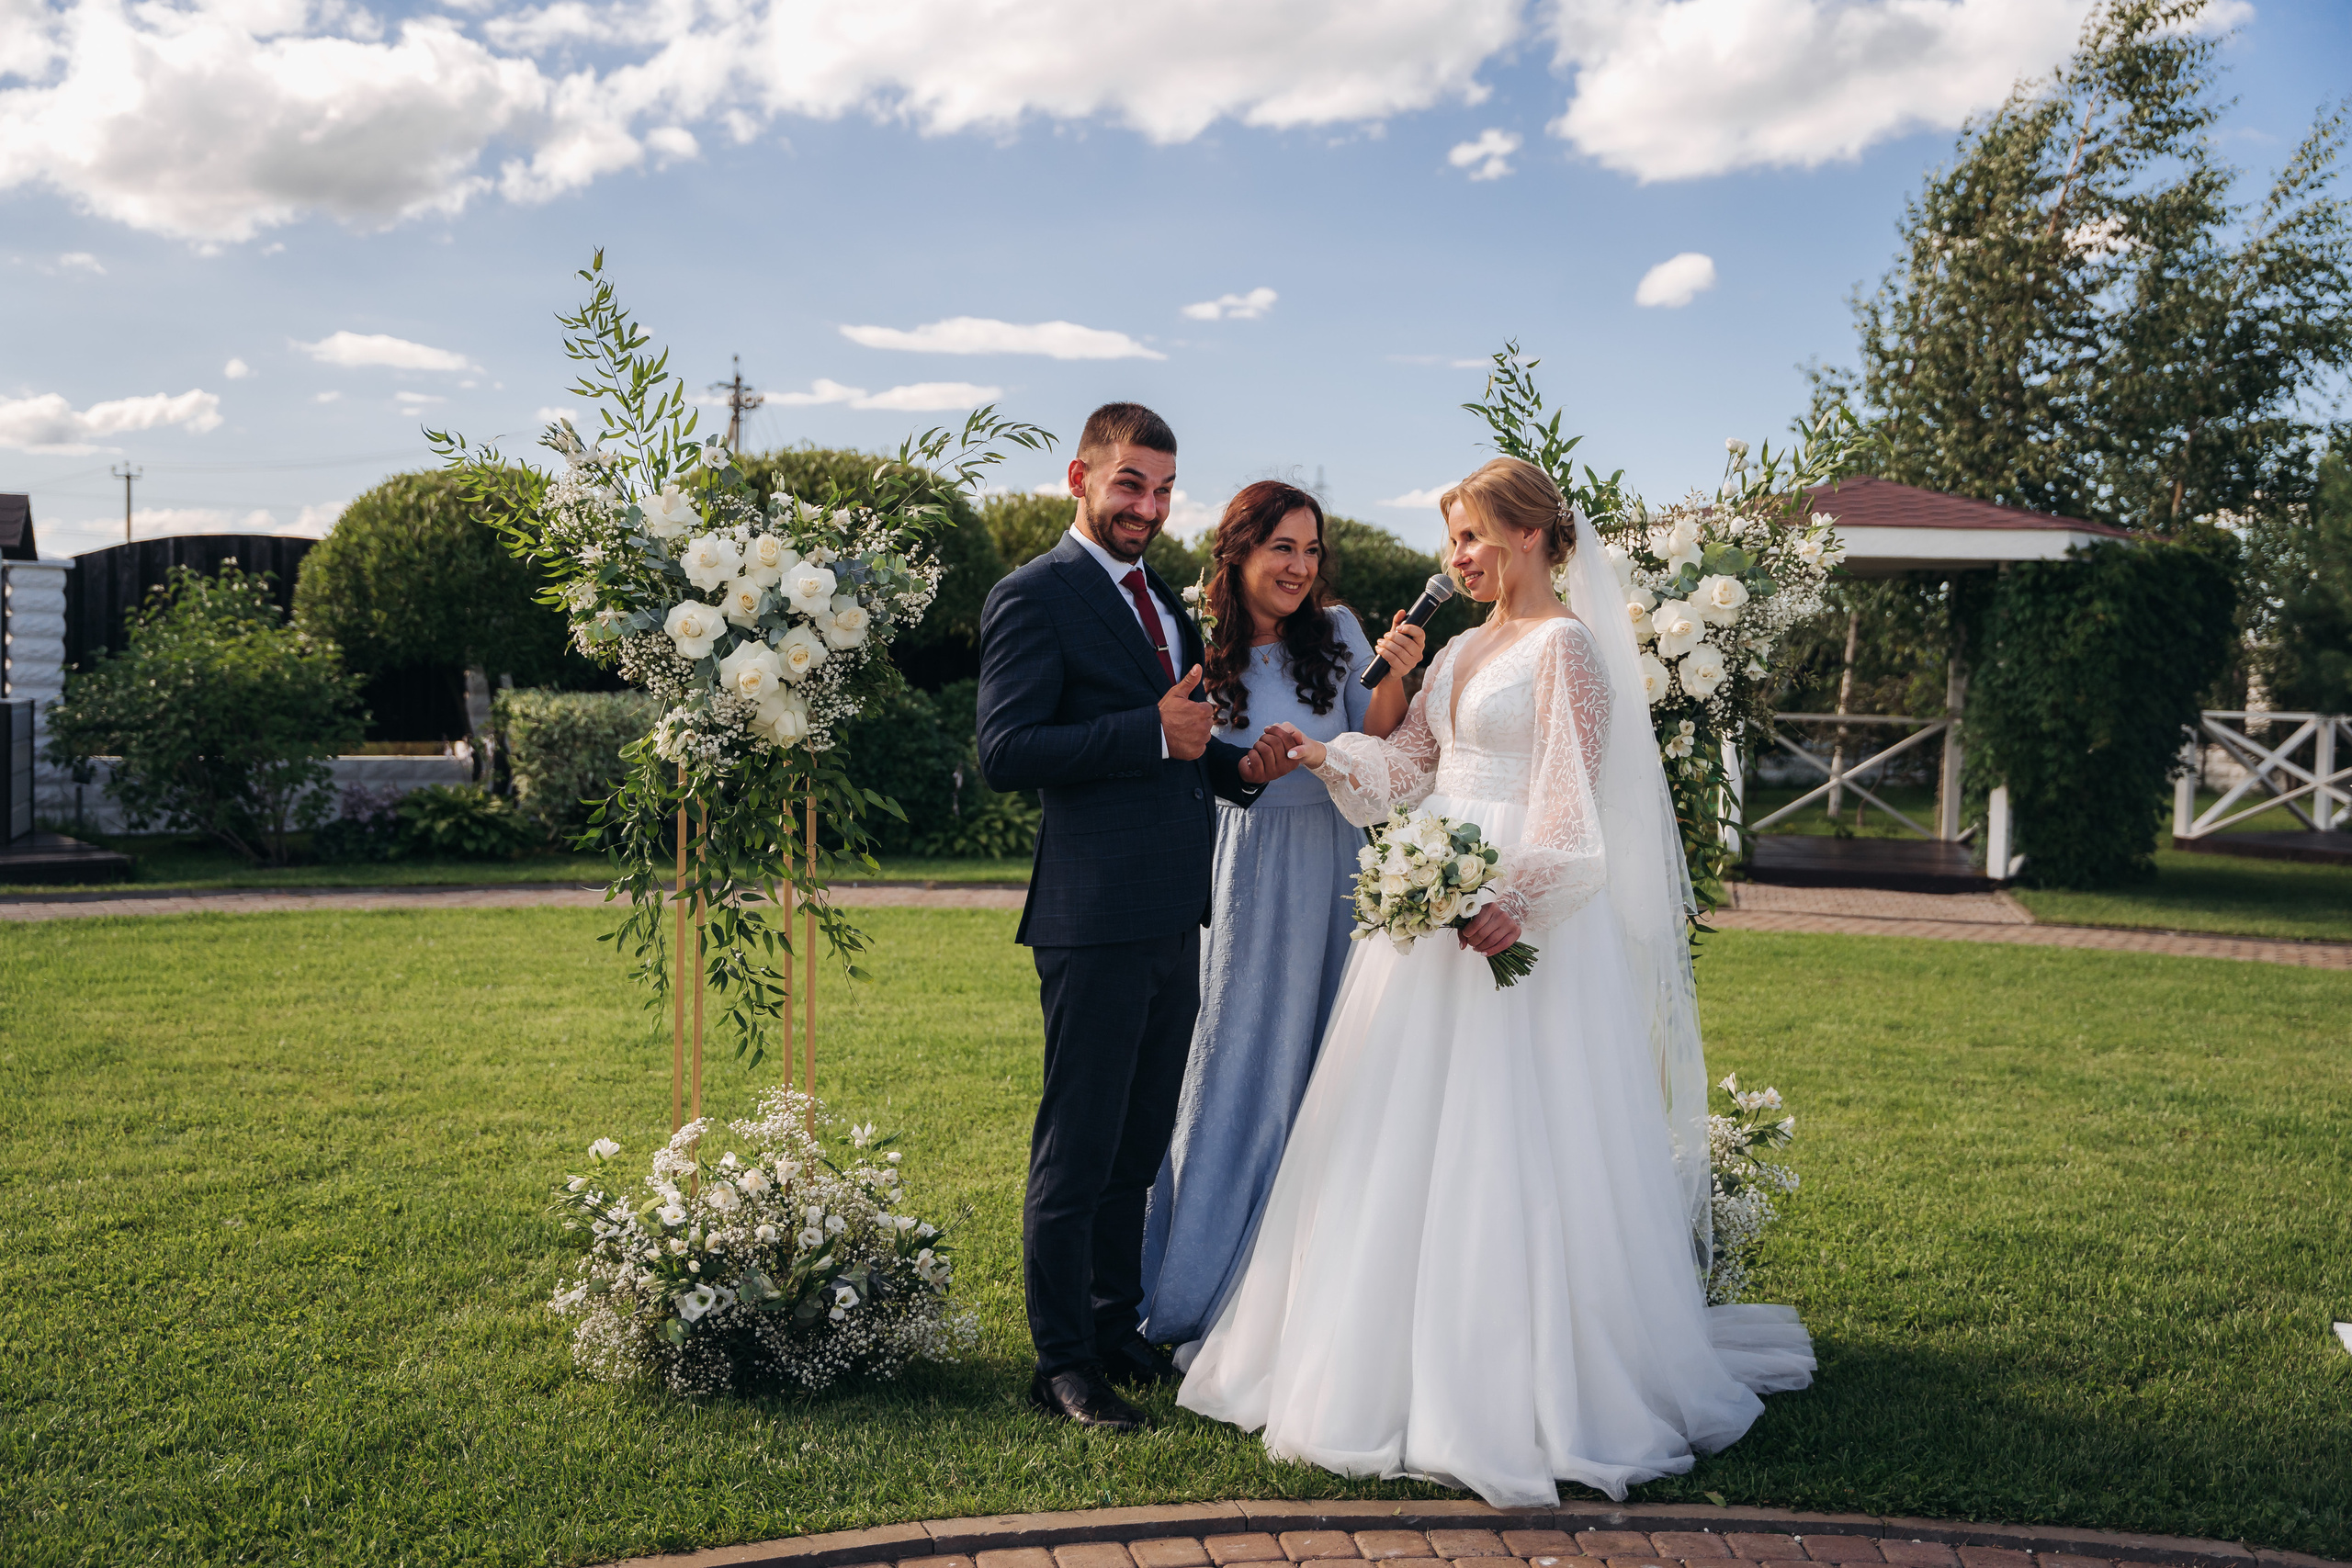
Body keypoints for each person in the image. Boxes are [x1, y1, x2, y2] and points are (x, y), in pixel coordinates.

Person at [1176, 456, 1815, 1505]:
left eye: (1469, 537)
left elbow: (1573, 814)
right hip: (1429, 916)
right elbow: (1414, 765)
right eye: (1451, 541)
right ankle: (1378, 1365)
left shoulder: (1566, 651)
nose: (1456, 559)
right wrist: (1325, 756)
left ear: (1526, 534)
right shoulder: (1464, 648)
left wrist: (1514, 895)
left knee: (1513, 1139)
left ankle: (1524, 1382)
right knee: (1397, 1135)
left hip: (1517, 923)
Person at [976, 403, 1300, 1434]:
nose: (1149, 507)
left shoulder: (1159, 594)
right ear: (1082, 476)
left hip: (1171, 911)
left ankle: (1115, 1328)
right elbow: (1007, 750)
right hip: (1090, 914)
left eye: (1162, 489)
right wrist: (1143, 732)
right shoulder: (1034, 595)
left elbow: (1178, 733)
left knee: (1137, 1146)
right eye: (1131, 485)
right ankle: (1061, 1365)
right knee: (1077, 1152)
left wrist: (1235, 768)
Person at [1137, 479, 1427, 1354]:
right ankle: (1198, 1277)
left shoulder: (1337, 631)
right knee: (1233, 1059)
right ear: (1239, 553)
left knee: (1332, 1061)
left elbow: (1373, 740)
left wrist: (1396, 677)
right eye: (1281, 549)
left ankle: (1317, 1286)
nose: (1300, 567)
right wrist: (1246, 770)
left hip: (1334, 862)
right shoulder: (1196, 641)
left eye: (1310, 550)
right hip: (1242, 870)